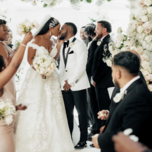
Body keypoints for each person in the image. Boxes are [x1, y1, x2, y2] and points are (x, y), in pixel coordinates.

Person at [15, 16, 74, 152]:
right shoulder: (36, 39)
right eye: (58, 28)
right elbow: (30, 60)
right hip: (37, 77)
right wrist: (40, 70)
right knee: (37, 105)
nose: (59, 31)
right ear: (50, 27)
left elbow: (53, 59)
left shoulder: (53, 41)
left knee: (53, 108)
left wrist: (58, 47)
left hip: (51, 77)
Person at [92, 51, 152, 152]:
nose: (112, 75)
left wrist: (101, 140)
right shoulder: (131, 89)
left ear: (118, 73)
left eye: (112, 71)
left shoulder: (138, 96)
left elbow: (130, 134)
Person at [0, 19, 33, 152]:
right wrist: (24, 43)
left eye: (8, 30)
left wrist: (15, 107)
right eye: (4, 30)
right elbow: (12, 64)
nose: (7, 32)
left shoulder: (3, 44)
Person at [58, 22, 90, 149]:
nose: (60, 30)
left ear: (69, 30)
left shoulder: (80, 44)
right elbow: (62, 66)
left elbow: (81, 66)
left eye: (62, 28)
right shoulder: (63, 44)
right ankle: (69, 138)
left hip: (78, 85)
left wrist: (70, 82)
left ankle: (83, 140)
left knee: (82, 113)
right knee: (67, 113)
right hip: (64, 86)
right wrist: (62, 82)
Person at [91, 20, 114, 127]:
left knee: (104, 110)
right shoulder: (104, 41)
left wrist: (94, 78)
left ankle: (104, 136)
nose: (95, 30)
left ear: (104, 30)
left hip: (104, 82)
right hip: (103, 82)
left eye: (98, 28)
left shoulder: (107, 43)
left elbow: (103, 64)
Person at [85, 23, 101, 144]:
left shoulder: (94, 43)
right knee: (93, 105)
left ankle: (96, 129)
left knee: (94, 105)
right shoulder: (93, 43)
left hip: (92, 78)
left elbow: (92, 61)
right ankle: (95, 128)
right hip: (91, 78)